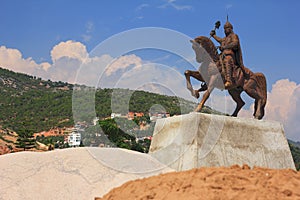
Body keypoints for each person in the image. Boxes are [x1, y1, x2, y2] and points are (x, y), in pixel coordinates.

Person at [210, 20, 244, 88]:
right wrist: (213, 35)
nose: (225, 30)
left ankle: (229, 80)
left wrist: (224, 47)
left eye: (227, 28)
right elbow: (220, 40)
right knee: (214, 62)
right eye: (224, 29)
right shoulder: (225, 39)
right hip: (222, 56)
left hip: (230, 56)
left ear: (231, 29)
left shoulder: (234, 36)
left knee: (227, 60)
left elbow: (235, 43)